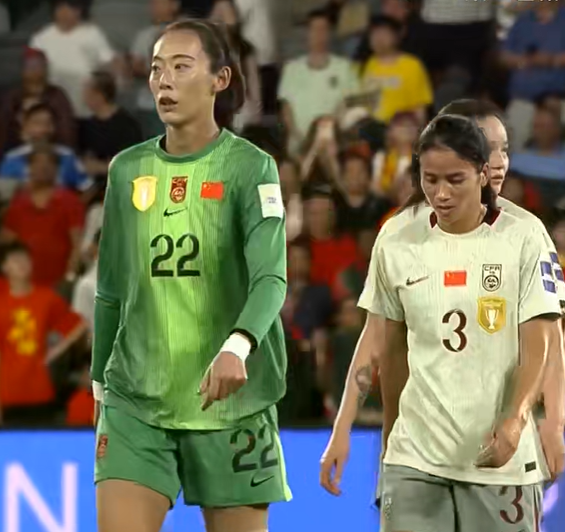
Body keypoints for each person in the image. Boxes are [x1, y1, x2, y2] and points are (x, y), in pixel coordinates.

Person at [92, 18, 290, 532]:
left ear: (220, 79)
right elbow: (110, 288)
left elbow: (271, 278)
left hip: (230, 400)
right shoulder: (127, 170)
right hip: (135, 398)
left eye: (181, 67)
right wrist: (98, 382)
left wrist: (237, 346)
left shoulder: (251, 167)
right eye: (157, 69)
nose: (165, 81)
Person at [320, 99, 565, 500]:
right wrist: (354, 428)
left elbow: (549, 336)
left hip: (497, 454)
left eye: (504, 149)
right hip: (416, 452)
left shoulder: (526, 233)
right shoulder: (400, 234)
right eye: (488, 147)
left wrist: (553, 420)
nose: (499, 162)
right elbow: (381, 342)